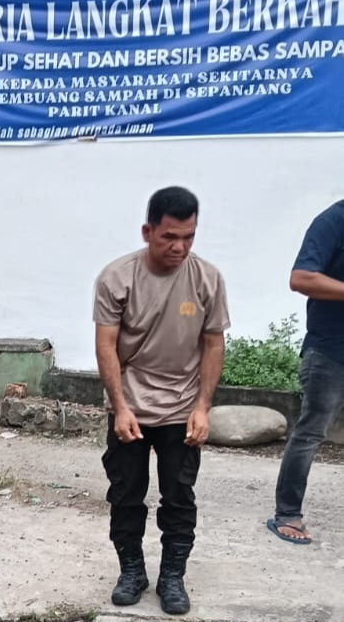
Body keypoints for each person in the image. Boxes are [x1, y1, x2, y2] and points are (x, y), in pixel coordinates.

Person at [93, 186, 229, 616]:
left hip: (182, 409)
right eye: (170, 236)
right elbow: (106, 345)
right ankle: (131, 571)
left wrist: (203, 407)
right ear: (147, 231)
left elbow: (213, 344)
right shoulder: (117, 278)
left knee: (179, 497)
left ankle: (173, 576)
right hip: (130, 407)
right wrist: (119, 406)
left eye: (188, 237)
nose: (179, 247)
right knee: (126, 495)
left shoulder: (207, 278)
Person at [267, 200, 344, 545]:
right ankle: (287, 513)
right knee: (311, 432)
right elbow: (301, 278)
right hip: (331, 350)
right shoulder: (333, 221)